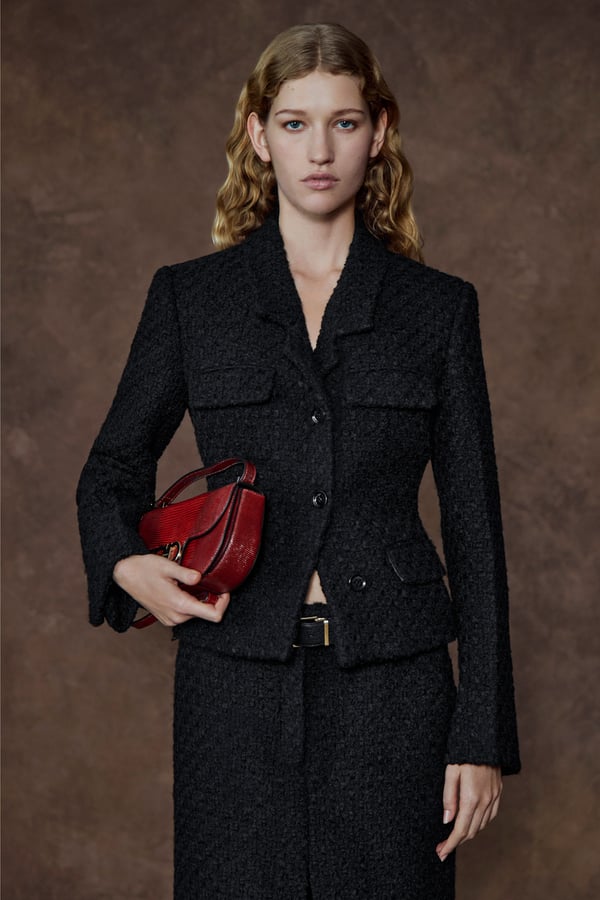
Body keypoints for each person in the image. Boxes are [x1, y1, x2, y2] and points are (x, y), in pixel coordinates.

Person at [76, 22, 521, 900]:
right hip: (233, 687)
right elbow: (111, 470)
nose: (319, 150)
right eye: (294, 123)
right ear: (258, 135)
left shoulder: (437, 311)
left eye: (344, 123)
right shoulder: (192, 299)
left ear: (379, 132)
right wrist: (125, 564)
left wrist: (481, 736)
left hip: (395, 693)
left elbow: (475, 530)